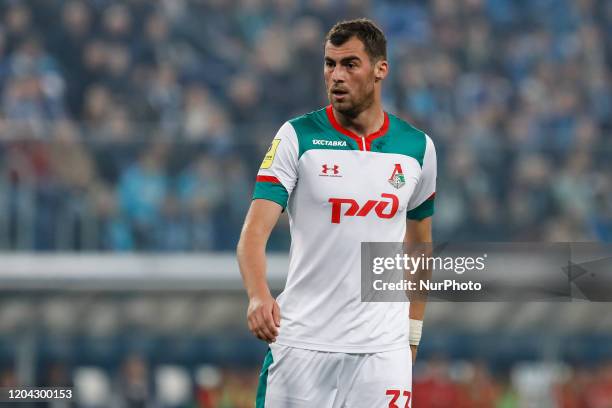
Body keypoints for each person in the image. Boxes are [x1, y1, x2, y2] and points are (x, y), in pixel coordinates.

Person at [237, 18, 437, 408]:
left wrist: (411, 335)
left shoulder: (418, 149)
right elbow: (252, 235)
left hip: (383, 354)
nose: (336, 75)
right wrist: (258, 296)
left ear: (381, 69)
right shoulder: (297, 137)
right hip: (302, 345)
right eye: (330, 64)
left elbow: (419, 249)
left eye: (350, 64)